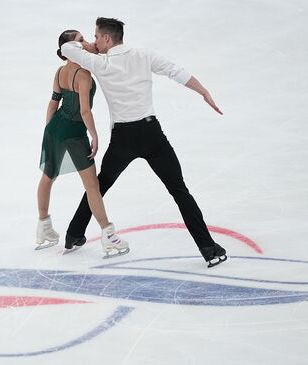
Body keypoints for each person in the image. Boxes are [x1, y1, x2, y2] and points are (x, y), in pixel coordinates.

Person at [60, 17, 227, 267]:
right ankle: (208, 248)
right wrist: (203, 91)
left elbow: (66, 48)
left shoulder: (99, 62)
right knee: (180, 191)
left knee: (100, 185)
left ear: (107, 38)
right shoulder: (143, 55)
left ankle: (74, 234)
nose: (93, 42)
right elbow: (176, 72)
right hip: (152, 135)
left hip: (123, 139)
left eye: (95, 37)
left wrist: (85, 46)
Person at [36, 29, 129, 258]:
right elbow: (85, 111)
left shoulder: (60, 72)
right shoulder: (84, 75)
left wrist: (50, 131)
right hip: (76, 133)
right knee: (92, 185)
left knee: (48, 177)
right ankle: (108, 234)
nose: (86, 42)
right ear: (73, 49)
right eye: (81, 40)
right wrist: (94, 135)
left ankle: (43, 226)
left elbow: (53, 103)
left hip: (55, 129)